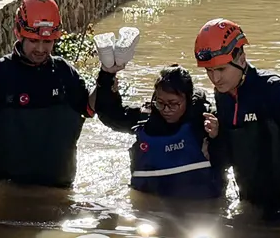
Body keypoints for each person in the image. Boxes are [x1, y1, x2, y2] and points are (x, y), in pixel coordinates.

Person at [0, 0, 120, 188]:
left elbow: (88, 108)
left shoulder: (64, 72)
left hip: (57, 191)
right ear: (18, 33)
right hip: (4, 192)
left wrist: (107, 76)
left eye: (47, 42)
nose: (41, 49)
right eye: (34, 41)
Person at [194, 19, 280, 222]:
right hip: (252, 201)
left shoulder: (277, 92)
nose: (215, 79)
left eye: (221, 69)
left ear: (242, 60)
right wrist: (215, 138)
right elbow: (229, 158)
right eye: (209, 71)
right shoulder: (222, 95)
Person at [95, 64, 224, 200]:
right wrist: (107, 76)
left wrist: (216, 137)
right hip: (151, 203)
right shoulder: (146, 120)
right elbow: (110, 116)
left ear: (188, 98)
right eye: (160, 102)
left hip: (200, 203)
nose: (166, 110)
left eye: (173, 103)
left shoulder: (207, 120)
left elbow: (230, 158)